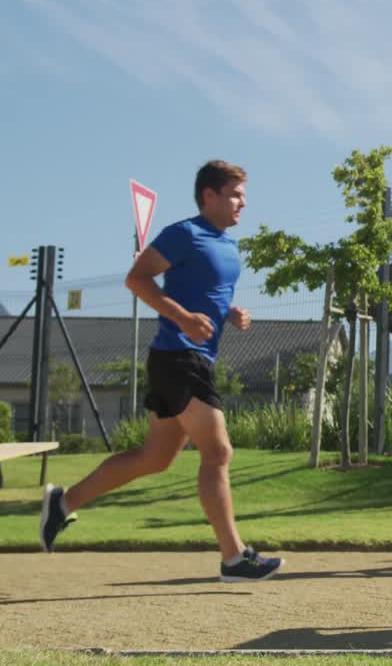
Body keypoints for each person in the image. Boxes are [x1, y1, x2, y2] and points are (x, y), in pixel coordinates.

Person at [40, 160, 284, 582]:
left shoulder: (228, 245)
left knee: (155, 458)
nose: (243, 203)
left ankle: (63, 503)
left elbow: (205, 293)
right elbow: (137, 279)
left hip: (193, 358)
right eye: (235, 194)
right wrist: (183, 318)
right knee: (218, 452)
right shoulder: (183, 233)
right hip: (178, 356)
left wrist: (229, 312)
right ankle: (234, 558)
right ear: (209, 195)